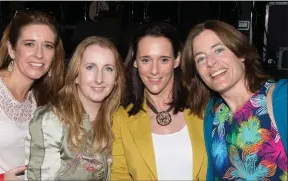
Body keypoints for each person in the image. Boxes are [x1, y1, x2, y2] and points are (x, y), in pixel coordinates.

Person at [182, 20, 287, 181]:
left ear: (241, 54)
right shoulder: (213, 117)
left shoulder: (280, 100)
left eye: (218, 50)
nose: (210, 62)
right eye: (201, 59)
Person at [111, 21, 207, 181]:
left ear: (177, 60)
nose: (154, 70)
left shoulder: (202, 108)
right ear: (135, 61)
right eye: (146, 60)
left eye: (163, 60)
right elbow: (119, 176)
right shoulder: (121, 118)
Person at [0, 10, 65, 181]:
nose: (39, 54)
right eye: (29, 44)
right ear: (12, 49)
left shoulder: (38, 98)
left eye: (47, 46)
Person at [25, 36, 125, 181]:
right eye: (90, 67)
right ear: (76, 75)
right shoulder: (51, 120)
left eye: (108, 69)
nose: (99, 79)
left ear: (116, 79)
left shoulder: (117, 119)